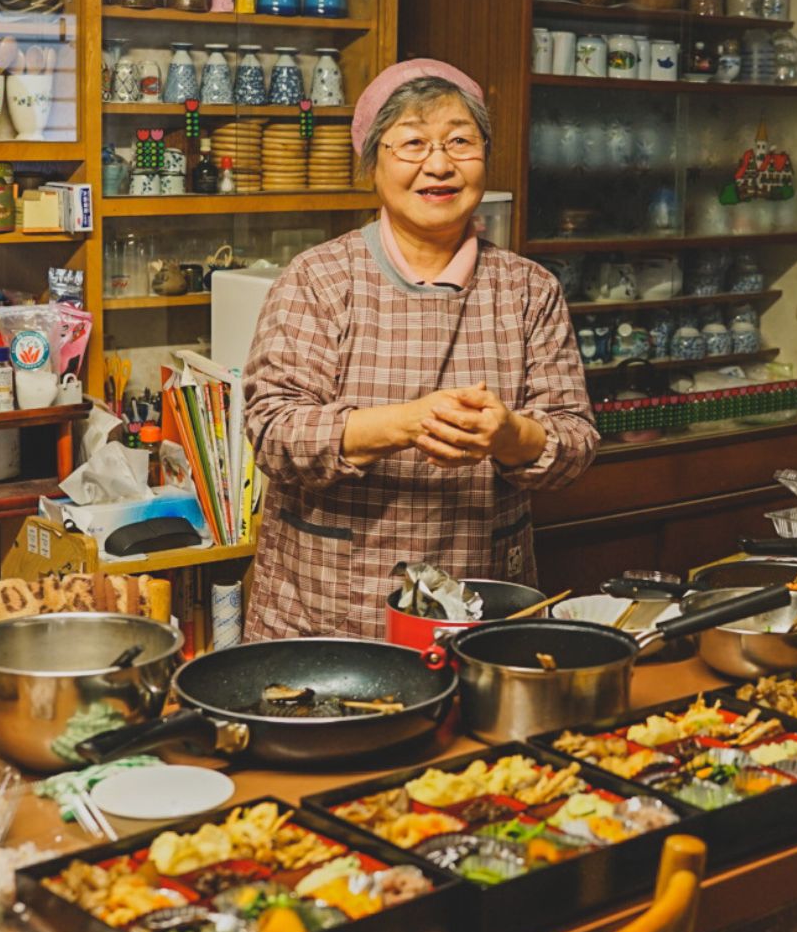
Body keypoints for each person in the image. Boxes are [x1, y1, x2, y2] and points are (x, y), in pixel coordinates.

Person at [241, 59, 597, 640]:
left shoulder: (529, 289)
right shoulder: (319, 280)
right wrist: (409, 422)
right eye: (412, 142)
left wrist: (509, 435)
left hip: (481, 599)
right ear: (373, 163)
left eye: (460, 141)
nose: (439, 164)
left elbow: (576, 442)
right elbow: (275, 433)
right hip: (328, 608)